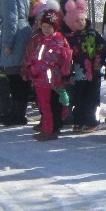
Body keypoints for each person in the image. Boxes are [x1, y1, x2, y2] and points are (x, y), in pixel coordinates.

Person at [59, 0, 106, 134]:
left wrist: (99, 60)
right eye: (77, 21)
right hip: (79, 73)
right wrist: (68, 75)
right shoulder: (69, 38)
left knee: (92, 99)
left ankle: (92, 121)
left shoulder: (92, 33)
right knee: (79, 99)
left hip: (94, 72)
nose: (81, 23)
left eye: (82, 20)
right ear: (70, 23)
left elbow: (102, 46)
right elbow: (66, 57)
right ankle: (79, 121)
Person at [24, 9, 73, 141]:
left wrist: (34, 69)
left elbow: (48, 60)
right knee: (44, 105)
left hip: (50, 80)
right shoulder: (42, 40)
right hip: (41, 80)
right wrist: (30, 65)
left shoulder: (57, 41)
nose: (45, 29)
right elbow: (36, 56)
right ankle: (49, 128)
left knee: (48, 107)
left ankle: (49, 130)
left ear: (55, 27)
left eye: (49, 27)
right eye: (44, 26)